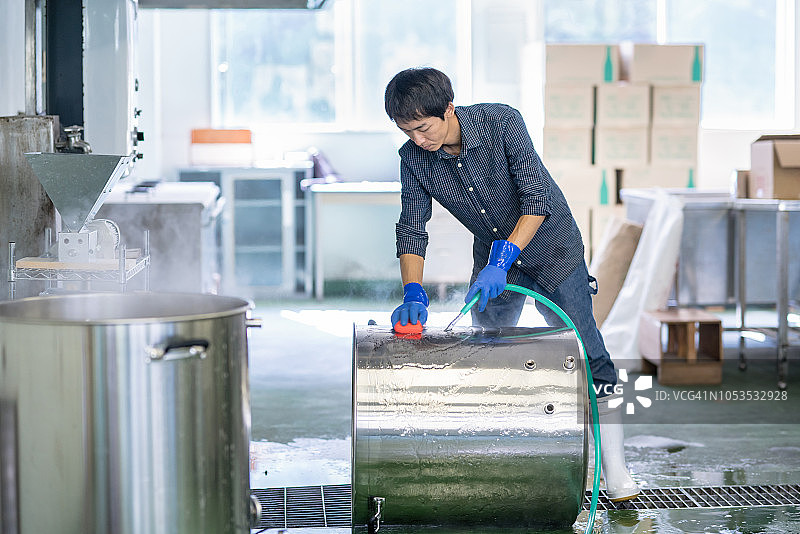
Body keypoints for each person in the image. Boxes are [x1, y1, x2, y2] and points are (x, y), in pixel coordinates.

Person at [385, 66, 639, 502]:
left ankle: (614, 467)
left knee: (586, 351)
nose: (418, 140)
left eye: (423, 129)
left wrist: (506, 256)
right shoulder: (414, 159)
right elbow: (412, 226)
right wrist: (413, 288)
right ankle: (503, 457)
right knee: (484, 350)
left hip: (551, 249)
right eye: (407, 132)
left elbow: (537, 196)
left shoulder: (501, 121)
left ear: (448, 109)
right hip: (493, 259)